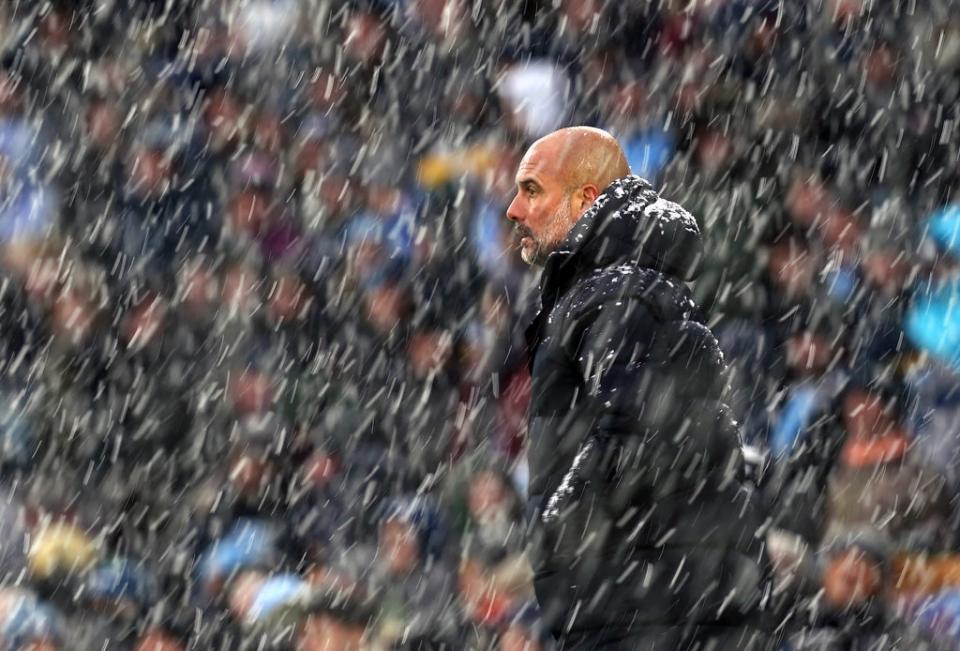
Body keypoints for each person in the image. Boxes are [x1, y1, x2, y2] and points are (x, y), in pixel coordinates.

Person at [506, 127, 772, 649]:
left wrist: (559, 524)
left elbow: (642, 437)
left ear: (586, 200)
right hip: (653, 604)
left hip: (643, 613)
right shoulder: (619, 288)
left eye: (532, 189)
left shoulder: (617, 293)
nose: (515, 209)